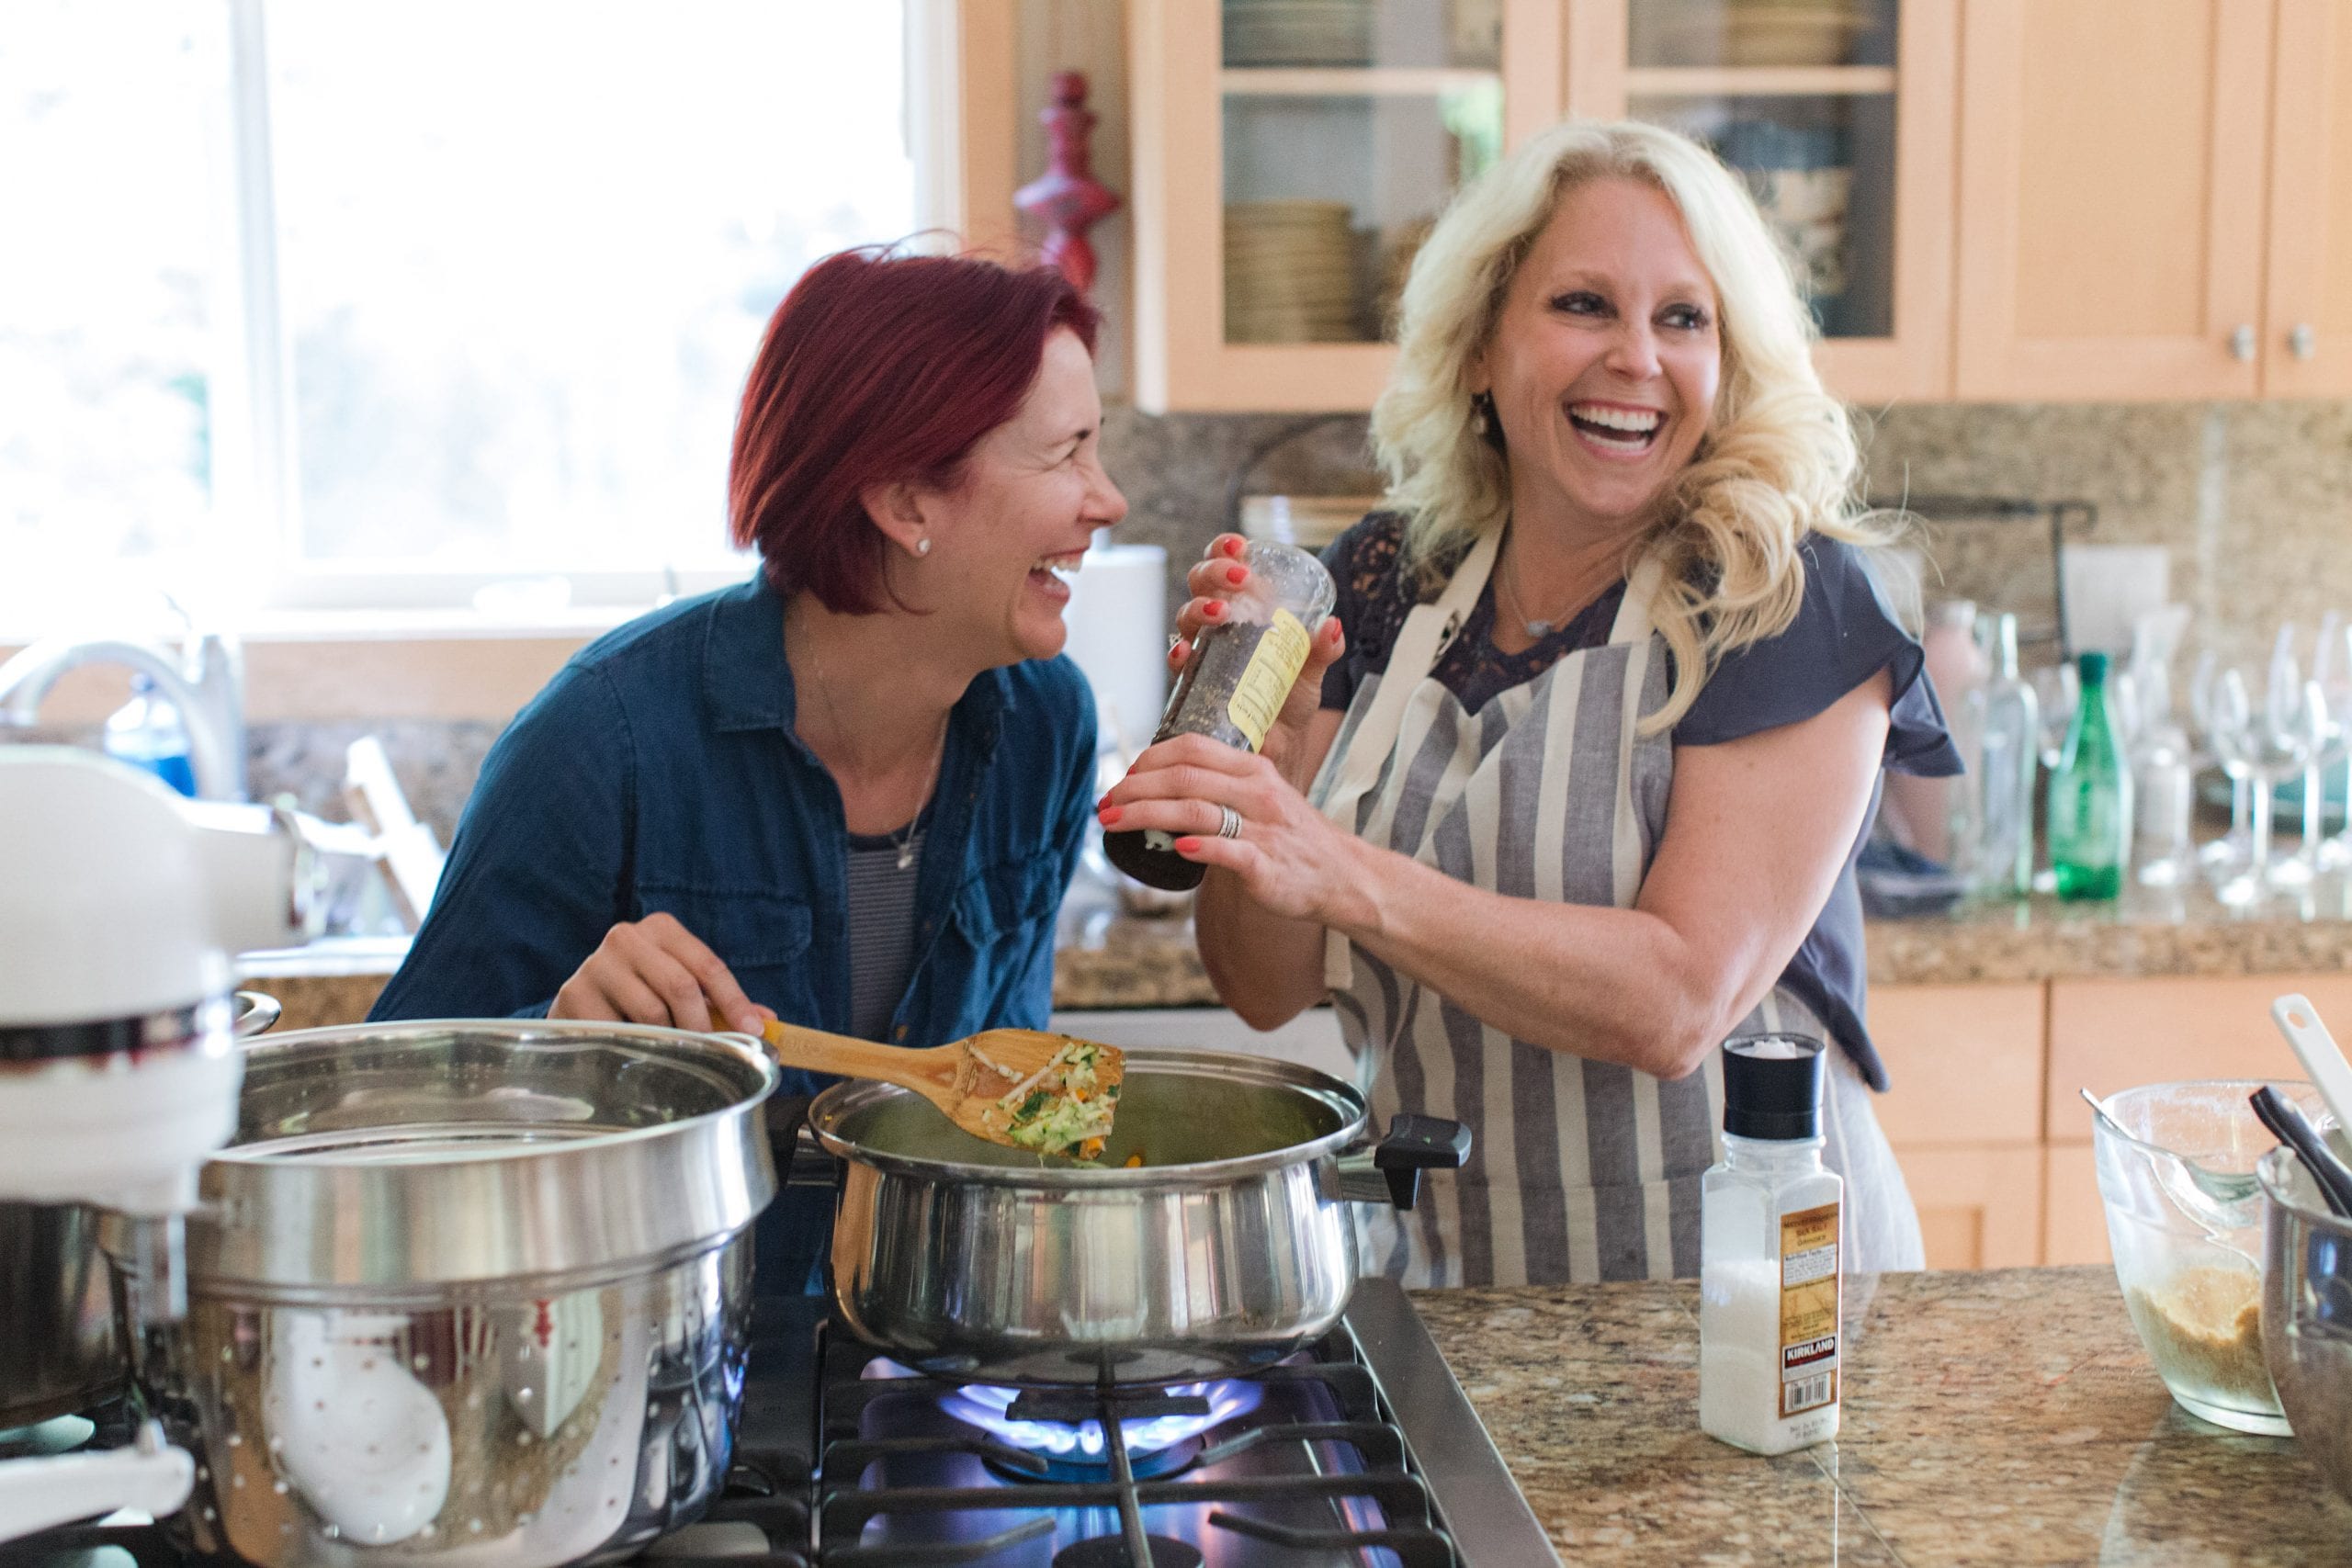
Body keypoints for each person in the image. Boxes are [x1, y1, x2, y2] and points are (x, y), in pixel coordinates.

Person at [1099, 119, 1960, 1286]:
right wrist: (1274, 763)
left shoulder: (1784, 599)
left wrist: (1342, 869)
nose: (1635, 360)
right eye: (1582, 306)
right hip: (1454, 1292)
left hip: (1743, 1307)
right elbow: (1265, 989)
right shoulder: (1386, 580)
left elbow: (1676, 1002)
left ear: (1729, 362)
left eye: (1682, 319)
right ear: (1476, 350)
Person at [372, 246, 1126, 1285]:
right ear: (907, 503)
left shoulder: (1044, 724)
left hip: (922, 1373)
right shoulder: (605, 741)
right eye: (1067, 455)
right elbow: (383, 1126)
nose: (1109, 500)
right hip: (660, 1368)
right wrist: (555, 1041)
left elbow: (1008, 1097)